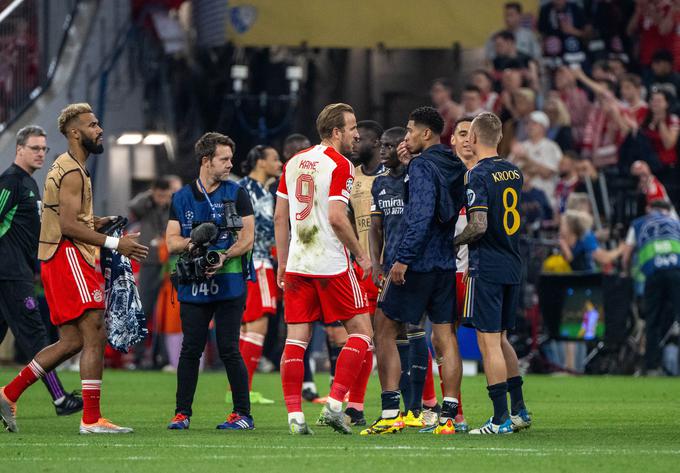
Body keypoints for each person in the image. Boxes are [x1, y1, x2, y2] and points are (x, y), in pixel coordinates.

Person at [0, 103, 149, 434]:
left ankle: (9, 393)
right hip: (68, 255)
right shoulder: (70, 171)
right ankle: (91, 419)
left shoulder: (68, 167)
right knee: (94, 328)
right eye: (92, 124)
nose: (99, 129)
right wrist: (114, 244)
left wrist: (98, 222)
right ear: (74, 132)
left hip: (58, 255)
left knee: (70, 340)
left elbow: (63, 219)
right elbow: (67, 225)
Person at [364, 106, 466, 436]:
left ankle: (391, 411)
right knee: (445, 336)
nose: (405, 137)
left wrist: (403, 258)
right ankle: (449, 416)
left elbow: (420, 214)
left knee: (383, 328)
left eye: (410, 130)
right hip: (445, 262)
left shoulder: (421, 165)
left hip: (418, 263)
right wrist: (411, 167)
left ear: (426, 134)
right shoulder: (453, 162)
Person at [275, 103, 374, 435]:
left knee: (296, 340)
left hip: (298, 263)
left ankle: (294, 416)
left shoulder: (292, 162)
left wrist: (283, 263)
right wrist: (361, 254)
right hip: (330, 262)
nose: (357, 133)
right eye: (352, 127)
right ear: (337, 133)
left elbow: (279, 217)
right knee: (362, 333)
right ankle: (334, 404)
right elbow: (335, 217)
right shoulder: (341, 164)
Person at [165, 132, 255, 431]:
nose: (231, 164)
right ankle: (181, 413)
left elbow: (248, 239)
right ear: (206, 161)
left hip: (229, 280)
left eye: (231, 158)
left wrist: (223, 256)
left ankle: (243, 414)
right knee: (190, 349)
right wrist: (195, 240)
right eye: (224, 159)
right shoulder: (181, 197)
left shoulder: (238, 192)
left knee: (229, 348)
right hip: (193, 283)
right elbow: (171, 241)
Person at [454, 112, 529, 435]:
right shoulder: (513, 171)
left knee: (488, 343)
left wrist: (452, 242)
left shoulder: (477, 175)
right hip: (513, 262)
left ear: (471, 139)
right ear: (498, 137)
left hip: (487, 265)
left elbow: (479, 225)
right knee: (501, 339)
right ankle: (519, 410)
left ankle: (499, 419)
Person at [0, 125, 82, 419]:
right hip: (10, 275)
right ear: (19, 149)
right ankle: (60, 400)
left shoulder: (29, 184)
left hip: (16, 272)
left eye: (43, 149)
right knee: (36, 335)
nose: (40, 153)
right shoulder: (11, 181)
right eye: (34, 148)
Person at [238, 145, 282, 405]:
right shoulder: (247, 190)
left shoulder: (262, 190)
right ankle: (245, 389)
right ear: (260, 162)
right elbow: (259, 227)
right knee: (258, 325)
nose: (279, 163)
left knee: (247, 326)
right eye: (275, 159)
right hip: (258, 262)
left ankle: (241, 389)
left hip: (250, 262)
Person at [621, 200, 680, 375]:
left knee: (652, 320)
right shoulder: (675, 223)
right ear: (668, 211)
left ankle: (652, 366)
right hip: (677, 272)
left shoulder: (638, 223)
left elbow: (626, 255)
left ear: (648, 209)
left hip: (653, 274)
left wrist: (626, 274)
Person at [127, 177, 174, 369]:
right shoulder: (146, 205)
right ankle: (137, 358)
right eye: (159, 195)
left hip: (168, 264)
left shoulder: (173, 207)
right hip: (149, 264)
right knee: (144, 310)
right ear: (154, 192)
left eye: (165, 195)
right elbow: (132, 206)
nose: (162, 199)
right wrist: (149, 194)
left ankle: (163, 358)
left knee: (165, 313)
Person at [510, 110, 562, 208]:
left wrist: (527, 160)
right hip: (520, 198)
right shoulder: (521, 146)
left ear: (543, 127)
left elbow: (547, 173)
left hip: (543, 199)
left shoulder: (551, 147)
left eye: (534, 123)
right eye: (527, 123)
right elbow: (508, 174)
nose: (530, 126)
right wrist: (515, 158)